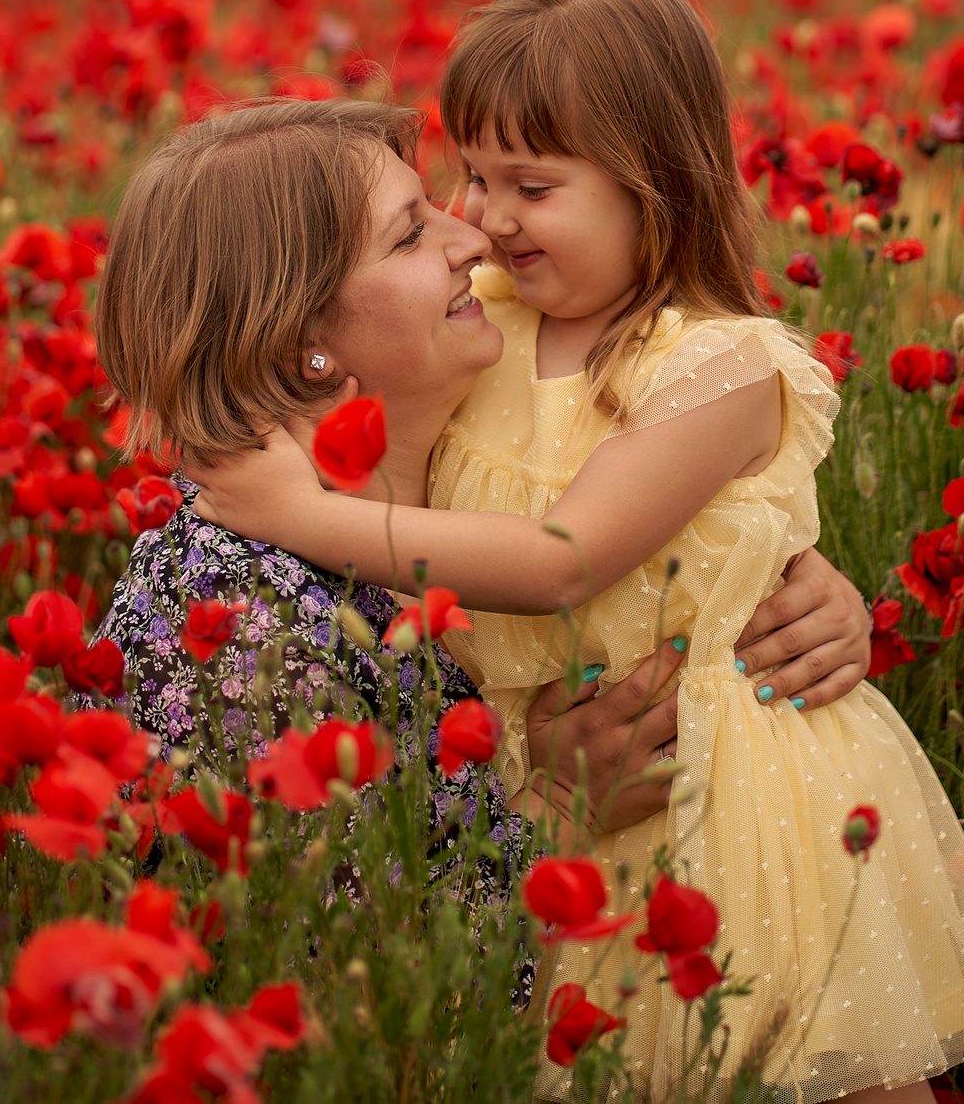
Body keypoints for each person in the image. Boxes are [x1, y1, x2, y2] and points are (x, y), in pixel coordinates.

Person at [191, 0, 964, 1102]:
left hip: (727, 791)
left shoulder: (716, 365)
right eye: (475, 174)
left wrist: (306, 516)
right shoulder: (489, 324)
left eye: (533, 185)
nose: (485, 218)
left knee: (818, 1066)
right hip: (555, 801)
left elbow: (568, 559)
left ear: (656, 182)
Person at [91, 96, 876, 889]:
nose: (474, 237)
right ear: (303, 345)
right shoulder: (239, 623)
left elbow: (604, 500)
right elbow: (343, 944)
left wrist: (779, 574)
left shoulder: (448, 459)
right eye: (409, 234)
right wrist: (560, 803)